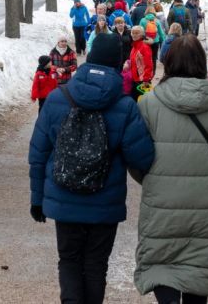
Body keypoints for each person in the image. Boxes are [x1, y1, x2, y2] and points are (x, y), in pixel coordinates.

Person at [28, 34, 155, 304]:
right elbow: (142, 159)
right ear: (119, 63)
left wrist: (37, 199)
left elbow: (38, 153)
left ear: (90, 59)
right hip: (104, 204)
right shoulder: (125, 106)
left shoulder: (57, 98)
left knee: (70, 261)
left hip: (64, 200)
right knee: (96, 265)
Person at [134, 35, 208, 303]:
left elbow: (136, 156)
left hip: (162, 202)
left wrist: (151, 179)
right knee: (199, 268)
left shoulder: (148, 105)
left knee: (162, 263)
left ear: (168, 63)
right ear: (202, 63)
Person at [129, 25, 154, 102]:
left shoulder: (144, 47)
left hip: (142, 81)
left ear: (142, 35)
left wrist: (146, 79)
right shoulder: (134, 46)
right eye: (133, 32)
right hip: (134, 79)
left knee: (142, 103)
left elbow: (149, 64)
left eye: (137, 33)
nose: (134, 34)